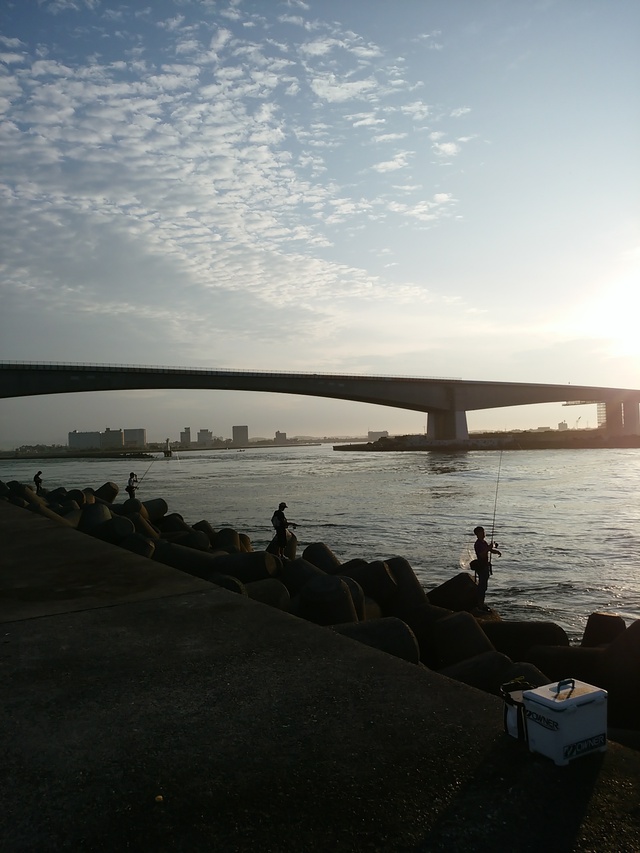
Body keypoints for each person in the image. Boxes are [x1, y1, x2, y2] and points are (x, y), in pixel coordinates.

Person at [471, 525, 501, 611]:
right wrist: (489, 548)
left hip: (485, 566)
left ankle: (481, 603)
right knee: (482, 586)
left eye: (484, 532)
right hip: (481, 566)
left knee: (484, 586)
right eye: (482, 532)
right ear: (478, 534)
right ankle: (480, 604)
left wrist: (496, 551)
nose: (484, 534)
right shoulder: (478, 544)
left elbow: (489, 550)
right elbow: (481, 554)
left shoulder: (483, 542)